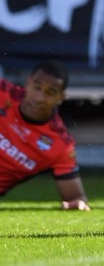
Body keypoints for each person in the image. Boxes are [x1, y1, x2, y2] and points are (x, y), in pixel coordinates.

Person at [0, 60, 90, 210]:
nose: (39, 98)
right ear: (27, 83)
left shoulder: (60, 145)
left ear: (61, 97)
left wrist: (78, 203)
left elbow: (75, 198)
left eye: (50, 92)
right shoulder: (3, 92)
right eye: (37, 87)